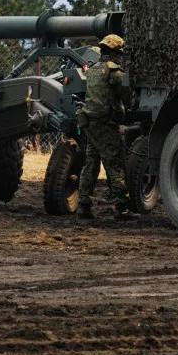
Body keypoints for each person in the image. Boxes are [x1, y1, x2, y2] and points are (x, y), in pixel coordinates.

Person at [76, 34, 135, 221]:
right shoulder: (116, 73)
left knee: (91, 164)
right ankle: (122, 207)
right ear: (116, 53)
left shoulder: (92, 70)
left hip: (90, 123)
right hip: (106, 125)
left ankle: (83, 206)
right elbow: (128, 97)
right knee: (115, 163)